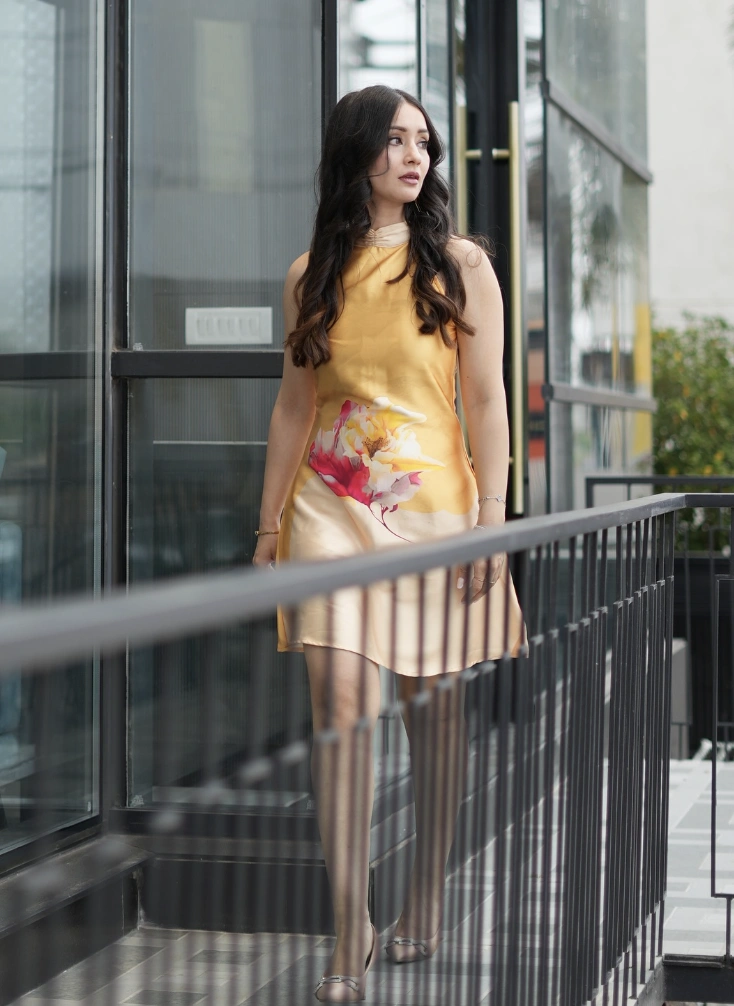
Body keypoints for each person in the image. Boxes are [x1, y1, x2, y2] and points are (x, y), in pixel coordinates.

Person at [253, 84, 523, 1002]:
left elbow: (486, 402)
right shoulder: (307, 274)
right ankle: (346, 921)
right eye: (396, 140)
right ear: (355, 152)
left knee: (432, 707)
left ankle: (426, 892)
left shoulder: (458, 265)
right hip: (327, 505)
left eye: (425, 142)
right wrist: (266, 529)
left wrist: (493, 518)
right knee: (336, 703)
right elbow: (295, 407)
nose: (416, 156)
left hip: (434, 508)